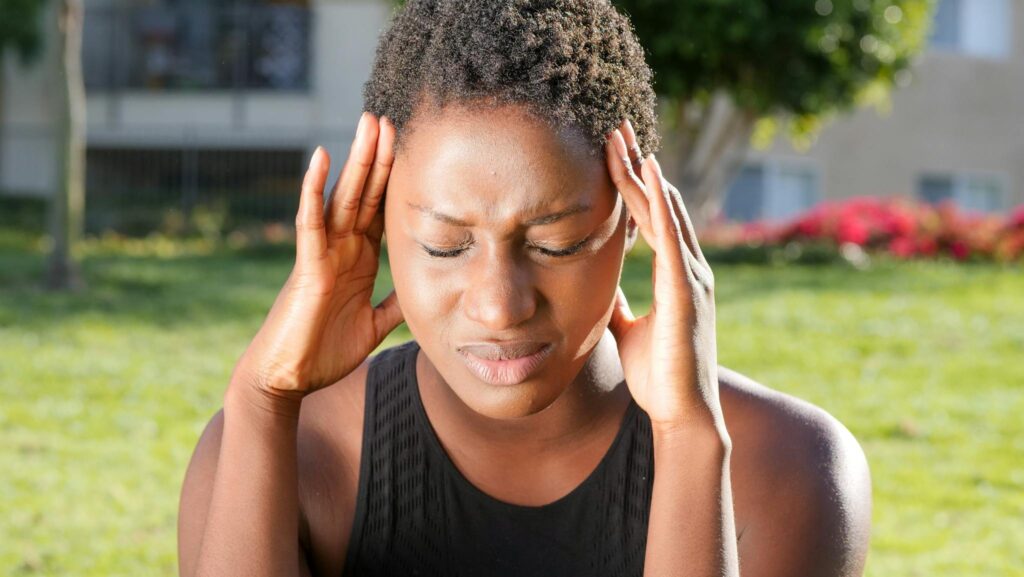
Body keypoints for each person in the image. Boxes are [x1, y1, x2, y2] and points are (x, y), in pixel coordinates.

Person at [177, 1, 872, 576]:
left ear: (635, 220)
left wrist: (689, 439)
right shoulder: (280, 451)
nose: (501, 304)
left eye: (554, 244)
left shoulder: (787, 468)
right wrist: (261, 400)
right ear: (377, 223)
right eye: (446, 245)